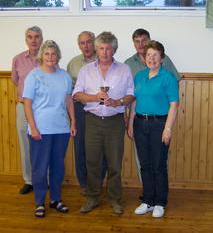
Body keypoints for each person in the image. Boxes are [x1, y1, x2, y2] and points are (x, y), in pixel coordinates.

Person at [73, 31, 135, 214]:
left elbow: (131, 94)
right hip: (92, 121)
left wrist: (119, 102)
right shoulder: (85, 71)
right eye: (101, 48)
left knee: (114, 164)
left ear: (113, 49)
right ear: (96, 49)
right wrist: (94, 97)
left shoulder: (124, 69)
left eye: (108, 48)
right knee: (92, 162)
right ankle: (92, 198)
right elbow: (76, 94)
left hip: (115, 122)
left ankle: (115, 199)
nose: (105, 52)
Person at [23, 40, 76, 218]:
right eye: (47, 54)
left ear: (58, 56)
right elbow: (27, 104)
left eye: (53, 54)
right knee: (40, 167)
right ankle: (39, 202)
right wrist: (33, 127)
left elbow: (69, 101)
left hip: (61, 129)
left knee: (57, 167)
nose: (50, 57)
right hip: (40, 130)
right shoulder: (34, 76)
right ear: (41, 56)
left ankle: (55, 199)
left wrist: (73, 122)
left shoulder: (65, 76)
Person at [127, 40, 179, 218]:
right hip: (140, 124)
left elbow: (173, 105)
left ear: (162, 58)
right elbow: (135, 101)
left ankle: (160, 202)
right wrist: (130, 123)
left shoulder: (168, 78)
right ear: (145, 58)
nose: (151, 58)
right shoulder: (140, 76)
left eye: (155, 55)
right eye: (149, 55)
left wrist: (168, 129)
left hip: (159, 125)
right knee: (145, 165)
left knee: (158, 165)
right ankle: (147, 201)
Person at [67, 31, 107, 195]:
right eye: (82, 43)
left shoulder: (103, 61)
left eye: (89, 42)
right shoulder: (73, 64)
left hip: (100, 108)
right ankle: (84, 182)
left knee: (102, 146)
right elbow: (69, 91)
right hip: (80, 109)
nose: (86, 46)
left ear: (95, 43)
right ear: (79, 45)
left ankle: (98, 180)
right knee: (80, 146)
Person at [11, 26, 43, 194]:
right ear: (26, 40)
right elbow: (16, 81)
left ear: (41, 39)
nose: (33, 40)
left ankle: (45, 179)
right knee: (25, 145)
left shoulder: (47, 58)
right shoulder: (17, 59)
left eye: (37, 37)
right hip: (23, 108)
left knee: (44, 144)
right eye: (30, 37)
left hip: (43, 109)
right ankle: (29, 180)